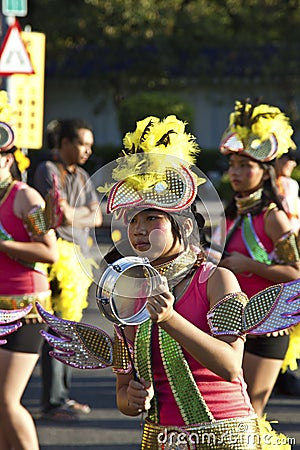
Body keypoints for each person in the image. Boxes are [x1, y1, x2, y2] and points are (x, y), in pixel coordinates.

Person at [218, 100, 300, 418]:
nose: (235, 173)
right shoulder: (228, 215)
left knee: (250, 412)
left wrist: (250, 265)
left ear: (264, 172)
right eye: (232, 165)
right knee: (228, 411)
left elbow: (296, 270)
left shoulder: (273, 218)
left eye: (244, 165)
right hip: (230, 324)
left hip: (268, 326)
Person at [33, 118, 103, 421]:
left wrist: (76, 214)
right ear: (63, 143)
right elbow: (55, 215)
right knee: (56, 330)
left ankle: (64, 395)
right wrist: (78, 214)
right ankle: (53, 401)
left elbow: (97, 216)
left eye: (89, 145)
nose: (87, 150)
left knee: (70, 330)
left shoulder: (82, 174)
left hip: (79, 259)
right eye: (81, 143)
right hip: (57, 259)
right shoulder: (48, 170)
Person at [0, 115, 58, 449]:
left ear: (8, 159)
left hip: (25, 312)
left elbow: (49, 251)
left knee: (7, 400)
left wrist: (3, 243)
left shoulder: (28, 198)